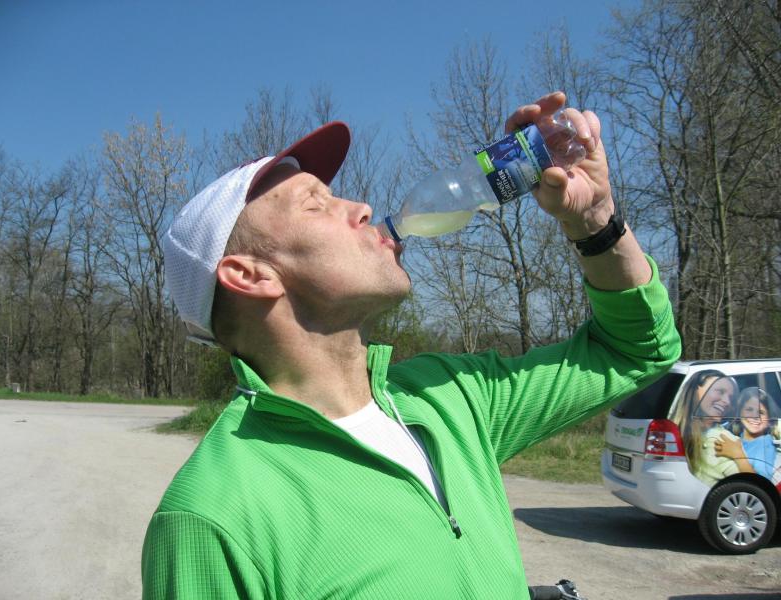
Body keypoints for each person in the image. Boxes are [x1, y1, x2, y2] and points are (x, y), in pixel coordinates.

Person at [142, 91, 681, 599]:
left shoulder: (451, 398)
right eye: (315, 204)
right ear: (250, 274)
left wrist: (594, 222)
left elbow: (636, 350)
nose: (361, 207)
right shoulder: (213, 515)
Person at [672, 370, 739, 486]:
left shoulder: (725, 440)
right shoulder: (670, 432)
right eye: (720, 391)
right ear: (695, 391)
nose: (727, 402)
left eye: (731, 398)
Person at [714, 387, 780, 480]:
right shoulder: (735, 437)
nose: (755, 416)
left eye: (761, 412)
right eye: (749, 409)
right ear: (739, 413)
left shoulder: (765, 443)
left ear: (769, 420)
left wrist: (737, 454)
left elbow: (760, 482)